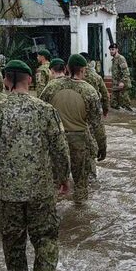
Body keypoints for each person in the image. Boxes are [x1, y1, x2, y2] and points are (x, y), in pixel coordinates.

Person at [0, 60, 71, 271]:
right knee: (46, 240)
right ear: (31, 80)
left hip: (8, 196)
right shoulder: (46, 110)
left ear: (5, 81)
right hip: (42, 193)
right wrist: (64, 176)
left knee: (13, 246)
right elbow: (60, 148)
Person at [40, 54, 106, 204]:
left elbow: (41, 113)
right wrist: (102, 147)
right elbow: (97, 124)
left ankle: (56, 215)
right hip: (80, 142)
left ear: (67, 68)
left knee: (55, 182)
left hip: (56, 141)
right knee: (81, 184)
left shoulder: (51, 87)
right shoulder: (89, 91)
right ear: (83, 70)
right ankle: (81, 219)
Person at [80, 51, 110, 117]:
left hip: (79, 107)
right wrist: (105, 110)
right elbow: (105, 95)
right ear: (89, 62)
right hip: (94, 107)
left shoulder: (75, 75)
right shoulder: (97, 76)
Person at [108, 43, 132, 110]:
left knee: (125, 105)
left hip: (122, 86)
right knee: (113, 104)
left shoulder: (121, 58)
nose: (111, 51)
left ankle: (130, 117)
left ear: (117, 50)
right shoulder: (114, 60)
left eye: (113, 49)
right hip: (116, 86)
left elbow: (126, 72)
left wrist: (122, 82)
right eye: (110, 50)